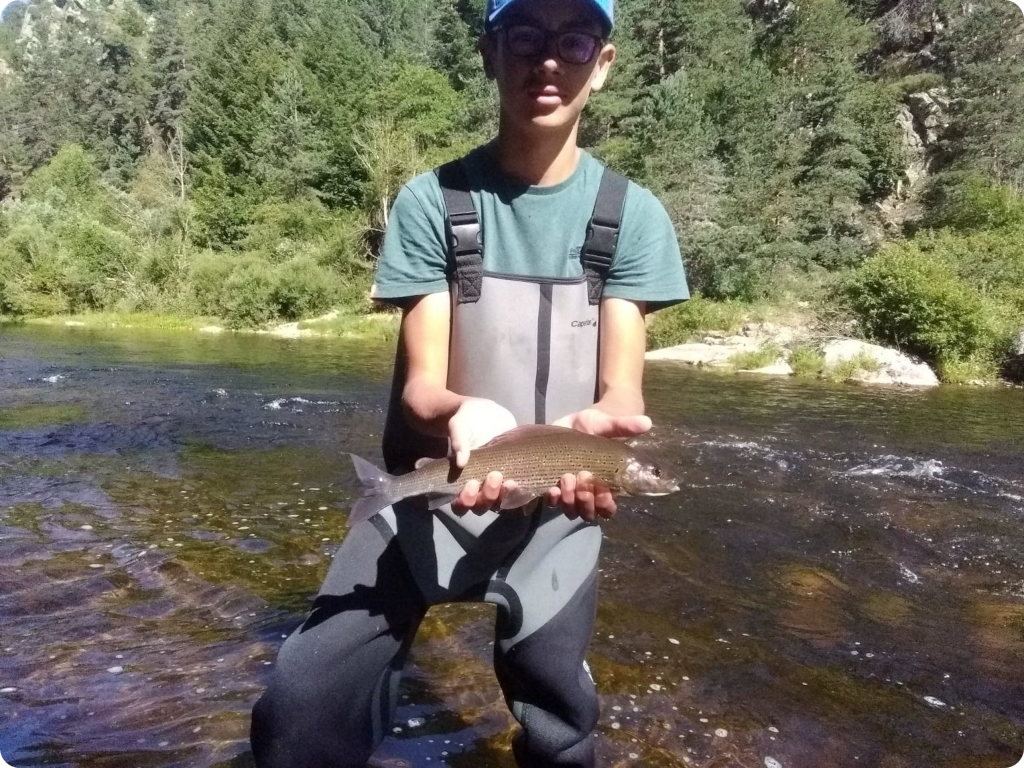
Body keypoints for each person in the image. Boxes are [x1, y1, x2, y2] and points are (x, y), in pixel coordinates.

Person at [250, 0, 689, 765]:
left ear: (605, 63)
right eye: (524, 36)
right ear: (490, 52)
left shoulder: (634, 216)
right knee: (299, 708)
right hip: (428, 498)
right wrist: (465, 411)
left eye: (574, 39)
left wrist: (609, 434)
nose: (548, 60)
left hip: (553, 517)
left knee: (562, 733)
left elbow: (624, 397)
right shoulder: (434, 201)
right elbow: (423, 391)